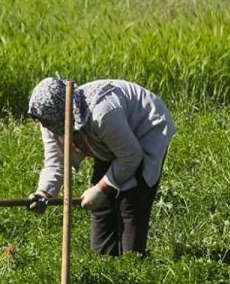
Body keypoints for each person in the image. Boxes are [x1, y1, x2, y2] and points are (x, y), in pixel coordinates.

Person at [25, 77, 176, 256]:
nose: (44, 125)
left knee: (130, 202)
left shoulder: (102, 113)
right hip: (112, 139)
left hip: (144, 128)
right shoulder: (50, 119)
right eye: (42, 121)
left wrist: (102, 188)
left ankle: (132, 264)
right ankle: (105, 262)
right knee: (102, 206)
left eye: (47, 122)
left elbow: (130, 157)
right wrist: (44, 193)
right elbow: (55, 162)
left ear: (61, 112)